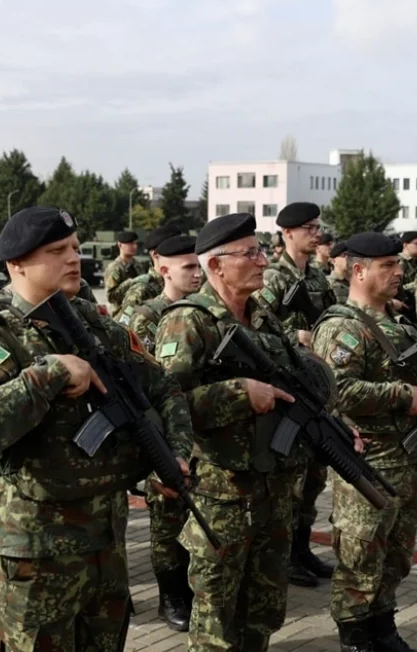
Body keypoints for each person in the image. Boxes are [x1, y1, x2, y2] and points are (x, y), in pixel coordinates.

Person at [0, 205, 193, 651]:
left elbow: (164, 387)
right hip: (36, 550)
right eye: (57, 250)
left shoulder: (97, 326)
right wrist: (48, 374)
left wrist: (174, 451)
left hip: (105, 541)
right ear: (16, 264)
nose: (73, 258)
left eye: (75, 248)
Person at [151, 212, 305, 651]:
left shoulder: (265, 319)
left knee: (264, 609)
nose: (263, 261)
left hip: (274, 488)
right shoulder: (187, 321)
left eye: (261, 251)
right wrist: (238, 393)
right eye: (250, 253)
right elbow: (167, 404)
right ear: (215, 266)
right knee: (217, 618)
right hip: (222, 495)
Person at [312, 232, 417, 652]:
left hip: (407, 458)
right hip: (369, 464)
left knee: (396, 557)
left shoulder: (397, 320)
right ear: (358, 270)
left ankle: (384, 629)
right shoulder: (343, 327)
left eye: (398, 263)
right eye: (388, 265)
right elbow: (337, 391)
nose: (399, 271)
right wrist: (403, 396)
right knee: (360, 560)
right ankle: (357, 639)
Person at [115, 234, 202, 632]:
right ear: (163, 269)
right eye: (188, 267)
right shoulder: (145, 318)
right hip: (161, 431)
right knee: (167, 519)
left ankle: (192, 585)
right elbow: (143, 384)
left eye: (199, 265)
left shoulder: (203, 313)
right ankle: (171, 595)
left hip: (202, 431)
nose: (197, 273)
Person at [251, 202, 334, 588]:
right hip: (285, 387)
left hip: (314, 386)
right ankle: (284, 557)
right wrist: (294, 338)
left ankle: (301, 548)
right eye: (307, 228)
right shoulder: (271, 278)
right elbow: (255, 329)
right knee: (292, 479)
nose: (315, 233)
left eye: (317, 227)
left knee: (315, 475)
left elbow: (333, 318)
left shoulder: (317, 278)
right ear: (286, 234)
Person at [117, 225, 180, 312]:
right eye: (173, 252)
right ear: (155, 255)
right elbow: (125, 323)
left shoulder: (181, 285)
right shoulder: (141, 292)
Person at [104, 230, 141, 314]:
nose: (134, 246)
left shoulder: (138, 265)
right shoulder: (115, 268)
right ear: (120, 245)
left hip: (137, 312)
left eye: (136, 243)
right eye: (130, 244)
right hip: (121, 313)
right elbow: (111, 296)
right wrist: (131, 282)